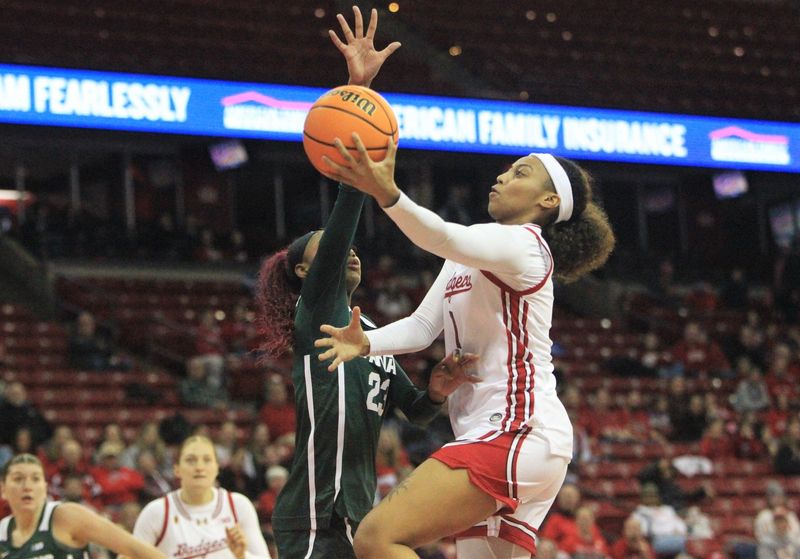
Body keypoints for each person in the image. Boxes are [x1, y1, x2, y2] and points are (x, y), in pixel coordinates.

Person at [315, 45, 616, 559]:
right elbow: (422, 326)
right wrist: (364, 343)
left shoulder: (525, 245)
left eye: (520, 173)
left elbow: (439, 235)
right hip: (505, 436)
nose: (502, 176)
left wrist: (389, 193)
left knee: (376, 536)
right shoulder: (475, 252)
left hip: (517, 430)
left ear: (547, 202)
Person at [253, 8, 477, 558]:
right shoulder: (315, 314)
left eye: (349, 249)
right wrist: (359, 105)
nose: (347, 251)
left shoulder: (368, 335)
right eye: (329, 249)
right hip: (313, 511)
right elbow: (340, 233)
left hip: (359, 511)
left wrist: (436, 391)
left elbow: (414, 411)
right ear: (306, 272)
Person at [0, 454, 166, 559]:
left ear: (45, 488)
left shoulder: (66, 516)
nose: (27, 486)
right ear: (3, 489)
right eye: (18, 479)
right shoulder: (2, 532)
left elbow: (135, 549)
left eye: (35, 479)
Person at [133, 435, 271, 559]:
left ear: (217, 468)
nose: (199, 467)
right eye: (191, 460)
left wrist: (242, 556)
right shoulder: (156, 512)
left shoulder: (238, 505)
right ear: (177, 469)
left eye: (207, 460)